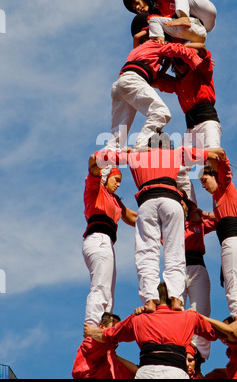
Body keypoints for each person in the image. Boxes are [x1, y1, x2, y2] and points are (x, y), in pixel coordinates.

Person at [96, 132, 224, 312]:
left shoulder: (136, 156)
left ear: (149, 146)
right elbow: (203, 154)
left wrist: (122, 152)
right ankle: (177, 299)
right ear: (167, 146)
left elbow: (105, 157)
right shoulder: (175, 153)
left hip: (147, 203)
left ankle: (149, 299)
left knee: (147, 252)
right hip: (171, 203)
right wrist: (215, 153)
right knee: (175, 252)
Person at [84, 281, 222, 380]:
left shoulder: (139, 318)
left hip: (147, 373)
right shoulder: (189, 317)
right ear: (175, 298)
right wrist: (200, 317)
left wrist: (92, 331)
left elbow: (110, 335)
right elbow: (217, 333)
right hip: (176, 373)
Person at [104, 18, 203, 154]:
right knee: (161, 113)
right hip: (133, 80)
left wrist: (165, 69)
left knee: (118, 135)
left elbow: (165, 81)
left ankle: (104, 165)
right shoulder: (156, 43)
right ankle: (141, 145)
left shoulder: (140, 51)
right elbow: (176, 49)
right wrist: (195, 59)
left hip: (120, 85)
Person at [199, 151, 237, 347]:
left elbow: (223, 167)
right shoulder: (218, 200)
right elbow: (218, 218)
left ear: (214, 175)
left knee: (232, 290)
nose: (204, 186)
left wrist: (212, 153)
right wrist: (203, 214)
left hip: (234, 243)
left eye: (205, 180)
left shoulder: (225, 186)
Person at [153, 42, 221, 203]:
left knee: (214, 157)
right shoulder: (178, 83)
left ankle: (223, 197)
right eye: (176, 63)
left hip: (207, 122)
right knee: (179, 169)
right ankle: (191, 209)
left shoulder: (200, 71)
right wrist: (167, 60)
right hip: (191, 129)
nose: (179, 64)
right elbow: (153, 79)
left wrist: (174, 48)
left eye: (182, 60)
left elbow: (203, 47)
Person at [82, 153, 137, 326]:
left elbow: (132, 217)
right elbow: (93, 166)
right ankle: (92, 325)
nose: (119, 184)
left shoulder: (114, 200)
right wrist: (109, 157)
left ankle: (104, 326)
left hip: (106, 243)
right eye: (116, 179)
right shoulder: (96, 189)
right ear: (107, 177)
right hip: (98, 239)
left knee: (108, 290)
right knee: (101, 286)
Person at [181, 196, 216, 361]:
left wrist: (204, 213)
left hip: (197, 265)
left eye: (183, 203)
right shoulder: (168, 225)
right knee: (175, 310)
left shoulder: (198, 223)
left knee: (201, 312)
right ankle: (176, 346)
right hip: (177, 268)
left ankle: (195, 354)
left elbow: (220, 219)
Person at [123, 0, 217, 44]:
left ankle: (184, 17)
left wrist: (182, 16)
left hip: (204, 9)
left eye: (137, 3)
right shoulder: (158, 17)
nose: (138, 8)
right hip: (205, 27)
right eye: (136, 9)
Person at [72, 312, 137, 379]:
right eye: (113, 325)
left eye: (117, 326)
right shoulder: (90, 342)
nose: (116, 329)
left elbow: (139, 372)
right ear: (101, 326)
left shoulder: (113, 359)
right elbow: (102, 340)